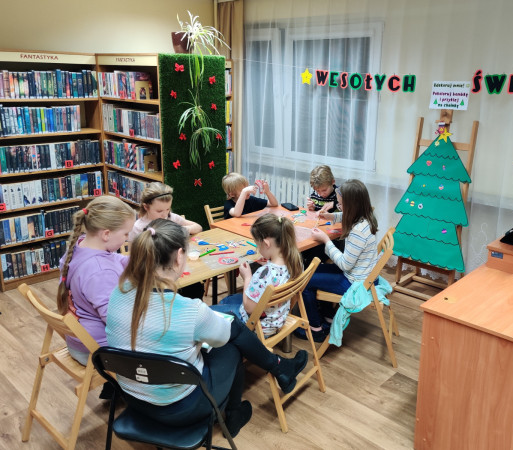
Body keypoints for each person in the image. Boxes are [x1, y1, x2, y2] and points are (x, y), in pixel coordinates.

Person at [105, 219, 308, 437]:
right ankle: (249, 397)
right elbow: (223, 337)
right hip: (183, 409)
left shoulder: (118, 293)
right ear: (179, 256)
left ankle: (278, 369)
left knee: (229, 326)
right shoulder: (190, 310)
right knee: (233, 337)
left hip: (133, 399)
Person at [57, 195, 135, 366]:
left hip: (79, 341)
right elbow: (116, 322)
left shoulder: (80, 246)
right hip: (97, 352)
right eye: (126, 233)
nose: (128, 238)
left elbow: (113, 259)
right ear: (106, 234)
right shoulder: (100, 271)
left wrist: (138, 260)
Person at [296, 180, 378, 342]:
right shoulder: (365, 217)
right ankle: (328, 316)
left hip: (355, 283)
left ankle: (315, 329)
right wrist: (330, 216)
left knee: (304, 280)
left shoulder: (358, 232)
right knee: (311, 270)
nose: (339, 207)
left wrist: (326, 241)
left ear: (351, 206)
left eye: (340, 204)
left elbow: (344, 264)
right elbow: (344, 215)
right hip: (360, 274)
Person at [211, 213, 303, 337]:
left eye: (257, 245)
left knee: (209, 312)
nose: (258, 249)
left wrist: (247, 277)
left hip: (257, 327)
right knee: (227, 300)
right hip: (277, 319)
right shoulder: (296, 262)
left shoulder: (264, 274)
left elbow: (249, 308)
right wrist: (269, 263)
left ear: (266, 243)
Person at [129, 182, 202, 241]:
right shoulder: (137, 228)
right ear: (146, 207)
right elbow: (133, 253)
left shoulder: (171, 217)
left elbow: (198, 227)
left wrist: (184, 229)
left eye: (168, 209)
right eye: (159, 211)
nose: (164, 215)